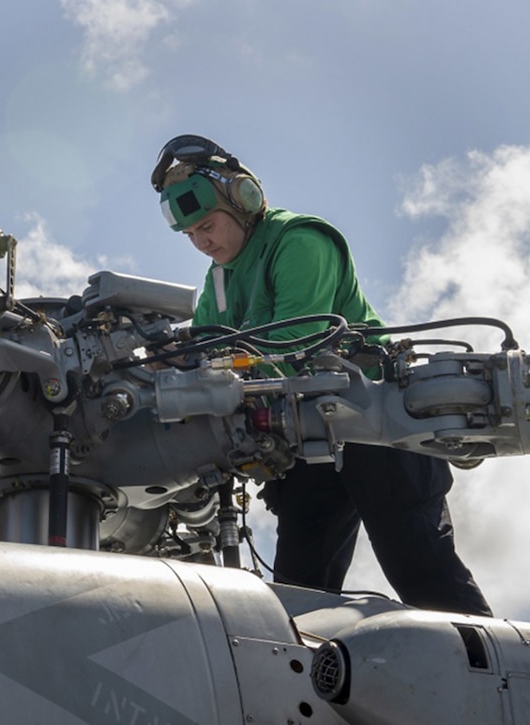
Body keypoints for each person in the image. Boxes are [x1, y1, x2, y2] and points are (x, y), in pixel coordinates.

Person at [150, 134, 491, 616]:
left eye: (207, 225)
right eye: (190, 236)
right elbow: (205, 351)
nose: (202, 241)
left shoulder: (300, 240)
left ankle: (487, 680)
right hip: (309, 439)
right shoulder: (218, 279)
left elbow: (296, 344)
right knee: (299, 595)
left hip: (376, 422)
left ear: (243, 200)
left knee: (420, 567)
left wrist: (199, 361)